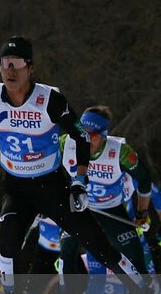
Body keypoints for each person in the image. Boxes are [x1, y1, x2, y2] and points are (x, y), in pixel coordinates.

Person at [0, 36, 152, 294]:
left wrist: (79, 181)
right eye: (4, 64)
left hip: (52, 186)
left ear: (30, 68)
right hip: (17, 189)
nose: (10, 70)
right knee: (7, 244)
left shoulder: (49, 100)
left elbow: (80, 136)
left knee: (99, 246)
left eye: (17, 64)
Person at [62, 105, 153, 278]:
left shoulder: (120, 152)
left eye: (92, 135)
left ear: (104, 135)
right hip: (81, 206)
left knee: (134, 253)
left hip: (110, 206)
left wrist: (142, 213)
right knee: (67, 252)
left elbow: (144, 178)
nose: (85, 139)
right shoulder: (66, 143)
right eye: (81, 132)